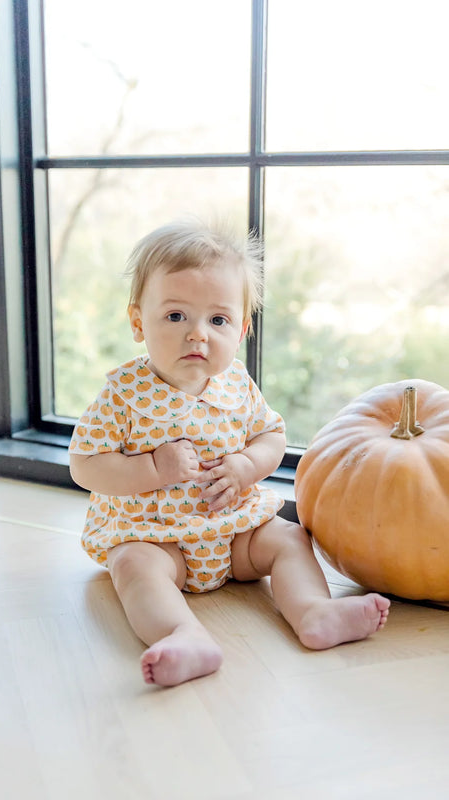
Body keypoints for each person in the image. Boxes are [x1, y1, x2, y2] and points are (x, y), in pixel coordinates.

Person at [69, 219, 390, 687]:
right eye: (176, 316)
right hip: (156, 537)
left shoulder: (237, 383)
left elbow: (271, 436)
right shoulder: (123, 395)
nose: (198, 334)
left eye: (217, 320)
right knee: (133, 567)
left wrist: (245, 466)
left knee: (289, 538)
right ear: (138, 322)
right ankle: (183, 635)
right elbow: (85, 465)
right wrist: (154, 467)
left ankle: (314, 612)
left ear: (241, 330)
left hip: (236, 531)